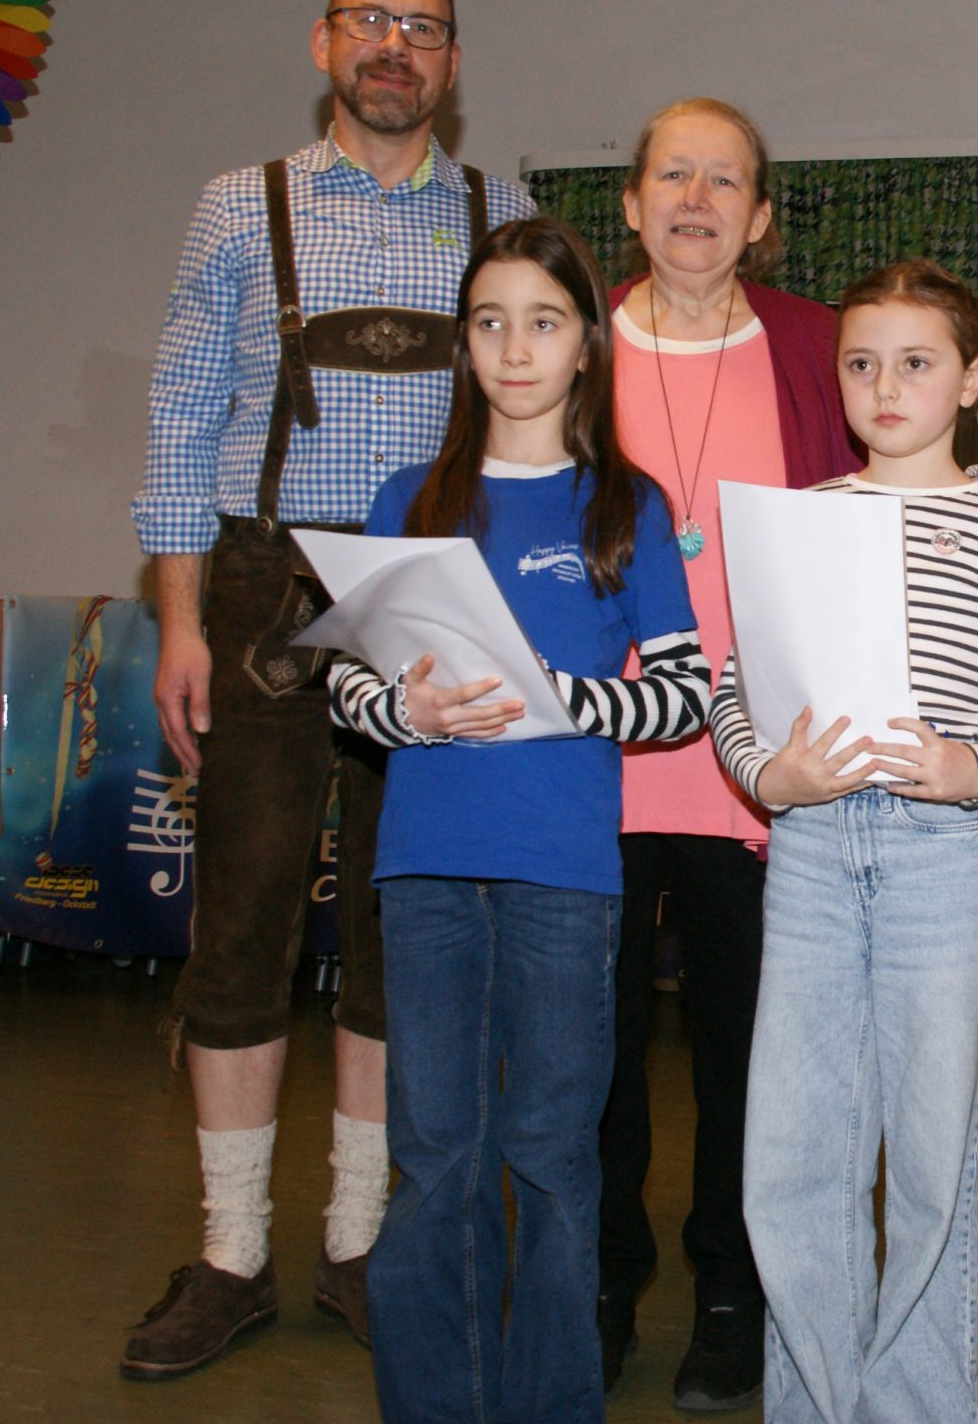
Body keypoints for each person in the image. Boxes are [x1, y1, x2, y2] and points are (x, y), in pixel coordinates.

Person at [126, 0, 530, 1378]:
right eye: (371, 20)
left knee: (396, 924)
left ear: (452, 61)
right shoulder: (240, 205)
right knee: (239, 920)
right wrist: (180, 619)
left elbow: (537, 418)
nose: (394, 46)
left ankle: (361, 1243)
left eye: (422, 26)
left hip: (431, 591)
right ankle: (231, 1252)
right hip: (259, 591)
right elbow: (182, 419)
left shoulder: (502, 213)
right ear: (324, 42)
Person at [326, 216, 711, 1422]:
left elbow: (687, 692)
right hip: (425, 869)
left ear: (586, 343)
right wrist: (406, 708)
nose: (513, 347)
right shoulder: (410, 498)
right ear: (464, 343)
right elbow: (346, 689)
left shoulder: (625, 505)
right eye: (489, 322)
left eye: (542, 322)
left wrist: (561, 700)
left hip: (563, 875)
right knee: (434, 1157)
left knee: (549, 1158)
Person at [708, 262, 978, 1424]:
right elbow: (731, 688)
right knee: (792, 1162)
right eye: (861, 363)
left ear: (970, 381)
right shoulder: (802, 517)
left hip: (941, 859)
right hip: (813, 854)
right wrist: (767, 774)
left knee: (932, 1171)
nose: (884, 386)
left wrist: (973, 769)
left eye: (916, 363)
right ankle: (815, 1406)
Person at [597, 98, 856, 1407]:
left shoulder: (816, 346)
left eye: (724, 181)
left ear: (759, 218)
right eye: (673, 175)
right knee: (591, 1060)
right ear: (631, 203)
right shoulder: (569, 340)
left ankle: (730, 1291)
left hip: (763, 769)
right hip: (593, 764)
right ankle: (598, 1282)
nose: (695, 199)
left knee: (748, 1058)